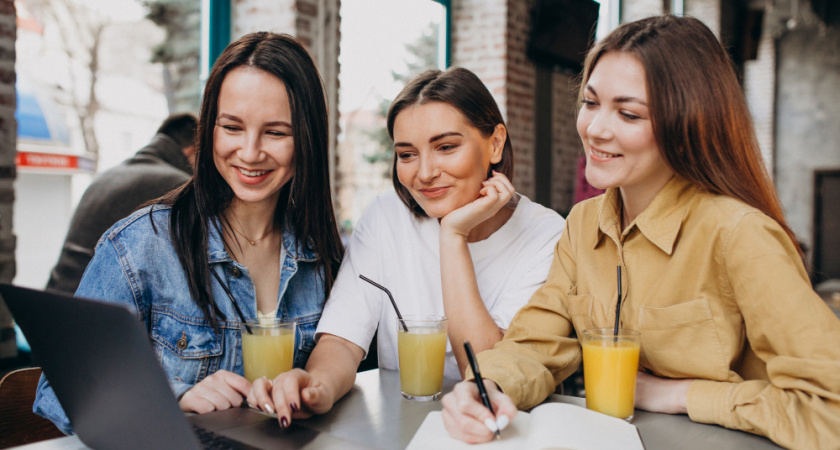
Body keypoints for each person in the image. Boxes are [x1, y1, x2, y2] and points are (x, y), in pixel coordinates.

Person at [441, 15, 840, 449]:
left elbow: (830, 408)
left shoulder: (740, 235)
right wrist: (488, 387)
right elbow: (535, 345)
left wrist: (680, 394)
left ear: (686, 127)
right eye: (591, 103)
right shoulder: (583, 224)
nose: (595, 129)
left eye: (628, 113)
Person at [33, 32, 344, 434]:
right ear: (209, 129)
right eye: (232, 127)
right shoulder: (141, 246)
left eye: (276, 133)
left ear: (307, 139)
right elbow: (58, 391)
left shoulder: (323, 256)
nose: (250, 152)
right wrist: (172, 397)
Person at [247, 67, 565, 429]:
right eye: (407, 154)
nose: (424, 173)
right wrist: (317, 385)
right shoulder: (385, 217)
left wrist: (453, 236)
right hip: (401, 432)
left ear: (495, 144)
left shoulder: (547, 235)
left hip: (498, 433)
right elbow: (343, 340)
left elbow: (488, 377)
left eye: (446, 147)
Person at [46, 113, 198, 296]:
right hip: (98, 306)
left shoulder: (108, 176)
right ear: (191, 151)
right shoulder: (177, 186)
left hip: (56, 296)